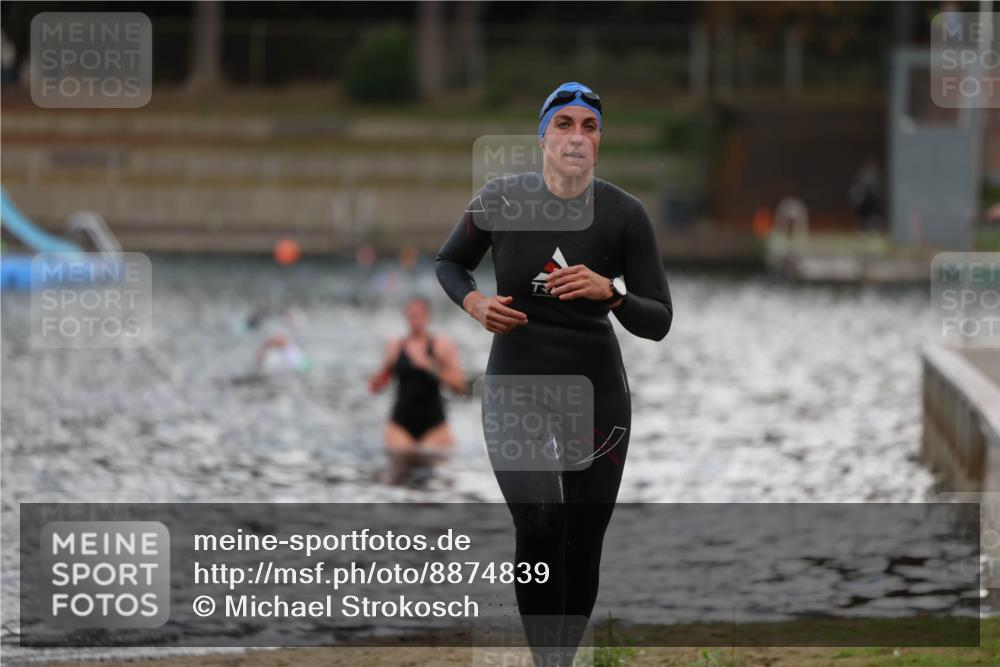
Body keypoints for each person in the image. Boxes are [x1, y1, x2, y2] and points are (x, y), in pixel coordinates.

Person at [435, 82, 672, 666]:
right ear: (543, 135)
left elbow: (660, 319)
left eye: (589, 127)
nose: (576, 137)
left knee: (582, 541)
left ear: (599, 142)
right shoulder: (501, 200)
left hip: (598, 397)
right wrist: (474, 304)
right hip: (515, 388)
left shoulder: (624, 215)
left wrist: (610, 293)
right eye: (564, 124)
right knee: (541, 521)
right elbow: (449, 262)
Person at [368, 296, 466, 484]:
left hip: (435, 426)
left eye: (419, 315)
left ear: (428, 317)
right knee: (397, 476)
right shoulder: (395, 346)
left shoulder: (442, 345)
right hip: (400, 425)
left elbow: (459, 386)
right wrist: (378, 379)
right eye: (412, 316)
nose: (415, 320)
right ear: (406, 317)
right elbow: (378, 383)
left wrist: (432, 367)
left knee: (440, 479)